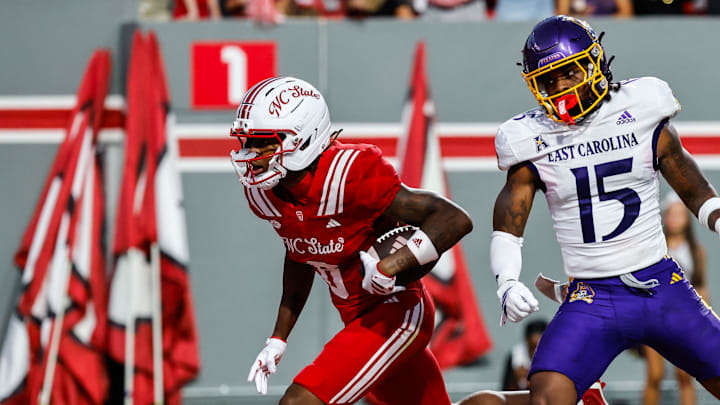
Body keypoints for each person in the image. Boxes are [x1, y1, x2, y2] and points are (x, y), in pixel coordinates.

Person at [489, 15, 720, 405]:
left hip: (663, 286)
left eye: (567, 74)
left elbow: (691, 184)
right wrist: (506, 281)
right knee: (545, 398)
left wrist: (716, 215)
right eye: (547, 80)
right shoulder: (529, 138)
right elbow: (508, 226)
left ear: (594, 64)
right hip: (593, 297)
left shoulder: (643, 107)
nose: (558, 88)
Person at [232, 76, 472, 404]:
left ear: (303, 138)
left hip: (397, 312)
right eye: (248, 142)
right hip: (358, 320)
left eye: (264, 142)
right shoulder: (267, 196)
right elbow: (300, 252)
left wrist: (392, 265)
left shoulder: (350, 173)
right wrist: (278, 338)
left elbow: (453, 218)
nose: (252, 154)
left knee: (299, 402)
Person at [642, 192, 707, 405]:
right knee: (655, 374)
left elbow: (701, 287)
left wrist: (704, 320)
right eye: (671, 214)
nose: (675, 219)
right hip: (654, 317)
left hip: (684, 319)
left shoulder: (696, 251)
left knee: (685, 374)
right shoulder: (654, 249)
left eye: (679, 215)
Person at [502, 319, 547, 391]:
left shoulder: (556, 356)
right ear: (526, 342)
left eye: (540, 348)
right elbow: (505, 389)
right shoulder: (515, 355)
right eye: (532, 347)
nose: (535, 352)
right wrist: (515, 379)